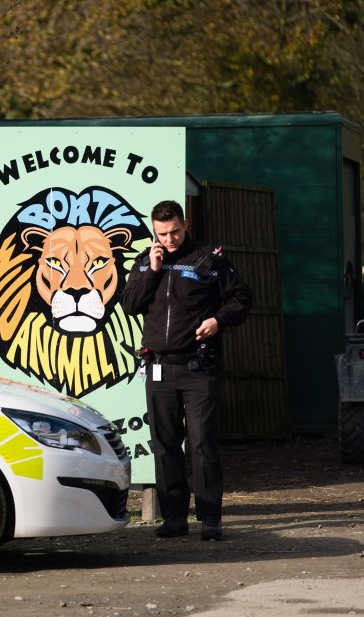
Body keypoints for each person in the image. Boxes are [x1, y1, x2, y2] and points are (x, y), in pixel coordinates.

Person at [122, 200, 252, 541]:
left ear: (185, 224)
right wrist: (151, 269)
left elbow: (241, 299)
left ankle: (210, 519)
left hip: (198, 367)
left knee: (202, 444)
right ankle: (174, 517)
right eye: (162, 233)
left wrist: (217, 320)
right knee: (165, 445)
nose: (169, 239)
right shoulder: (146, 261)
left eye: (175, 231)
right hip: (159, 368)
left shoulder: (208, 260)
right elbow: (130, 304)